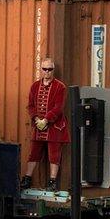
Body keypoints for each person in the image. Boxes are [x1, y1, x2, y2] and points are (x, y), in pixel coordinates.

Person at [20, 58, 69, 192]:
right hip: (38, 125)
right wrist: (36, 119)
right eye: (45, 69)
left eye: (50, 69)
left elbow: (58, 107)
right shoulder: (34, 86)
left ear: (53, 70)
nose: (47, 72)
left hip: (54, 126)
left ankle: (52, 182)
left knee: (54, 155)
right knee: (33, 153)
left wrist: (46, 120)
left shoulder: (60, 87)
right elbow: (30, 105)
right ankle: (27, 179)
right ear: (41, 70)